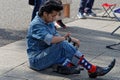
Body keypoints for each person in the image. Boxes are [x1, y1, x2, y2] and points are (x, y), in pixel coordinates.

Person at [26, 0, 116, 78]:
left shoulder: (47, 20)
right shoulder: (36, 25)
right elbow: (52, 40)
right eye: (53, 16)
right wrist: (64, 39)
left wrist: (71, 39)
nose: (54, 19)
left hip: (46, 53)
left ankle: (64, 66)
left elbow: (56, 35)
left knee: (69, 50)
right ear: (45, 13)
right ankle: (92, 69)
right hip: (36, 60)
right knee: (63, 46)